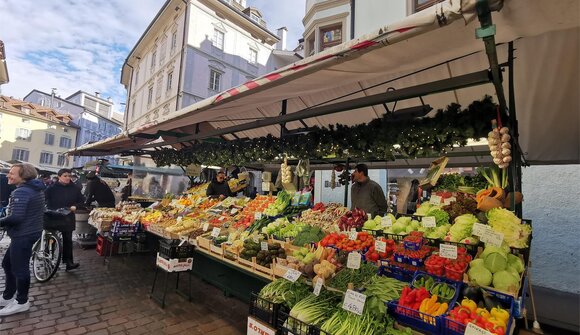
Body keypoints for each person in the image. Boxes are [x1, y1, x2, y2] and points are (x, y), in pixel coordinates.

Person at [0, 163, 45, 316]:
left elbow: (16, 217)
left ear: (23, 176)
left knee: (20, 269)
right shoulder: (34, 188)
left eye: (12, 173)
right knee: (7, 264)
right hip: (28, 232)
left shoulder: (22, 192)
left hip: (23, 234)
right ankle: (7, 296)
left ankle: (21, 302)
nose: (8, 175)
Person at [45, 168, 85, 271]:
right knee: (51, 240)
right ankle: (48, 259)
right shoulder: (51, 188)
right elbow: (43, 200)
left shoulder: (75, 188)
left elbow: (81, 201)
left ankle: (69, 262)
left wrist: (76, 206)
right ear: (59, 177)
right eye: (65, 176)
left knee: (68, 240)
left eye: (69, 176)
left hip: (67, 217)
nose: (68, 178)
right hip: (53, 217)